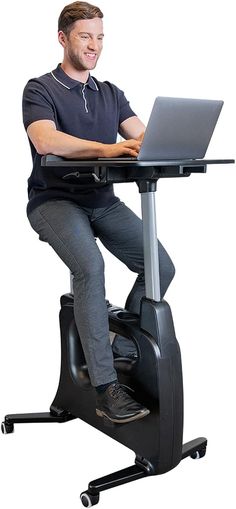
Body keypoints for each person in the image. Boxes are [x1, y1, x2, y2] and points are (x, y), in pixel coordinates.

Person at [22, 1, 175, 424]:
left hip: (102, 201)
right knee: (90, 267)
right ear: (63, 38)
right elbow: (46, 141)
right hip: (54, 201)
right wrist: (110, 149)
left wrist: (166, 144)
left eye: (100, 37)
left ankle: (121, 345)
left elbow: (143, 137)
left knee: (159, 266)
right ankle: (106, 388)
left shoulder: (110, 92)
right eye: (86, 36)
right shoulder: (40, 89)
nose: (94, 45)